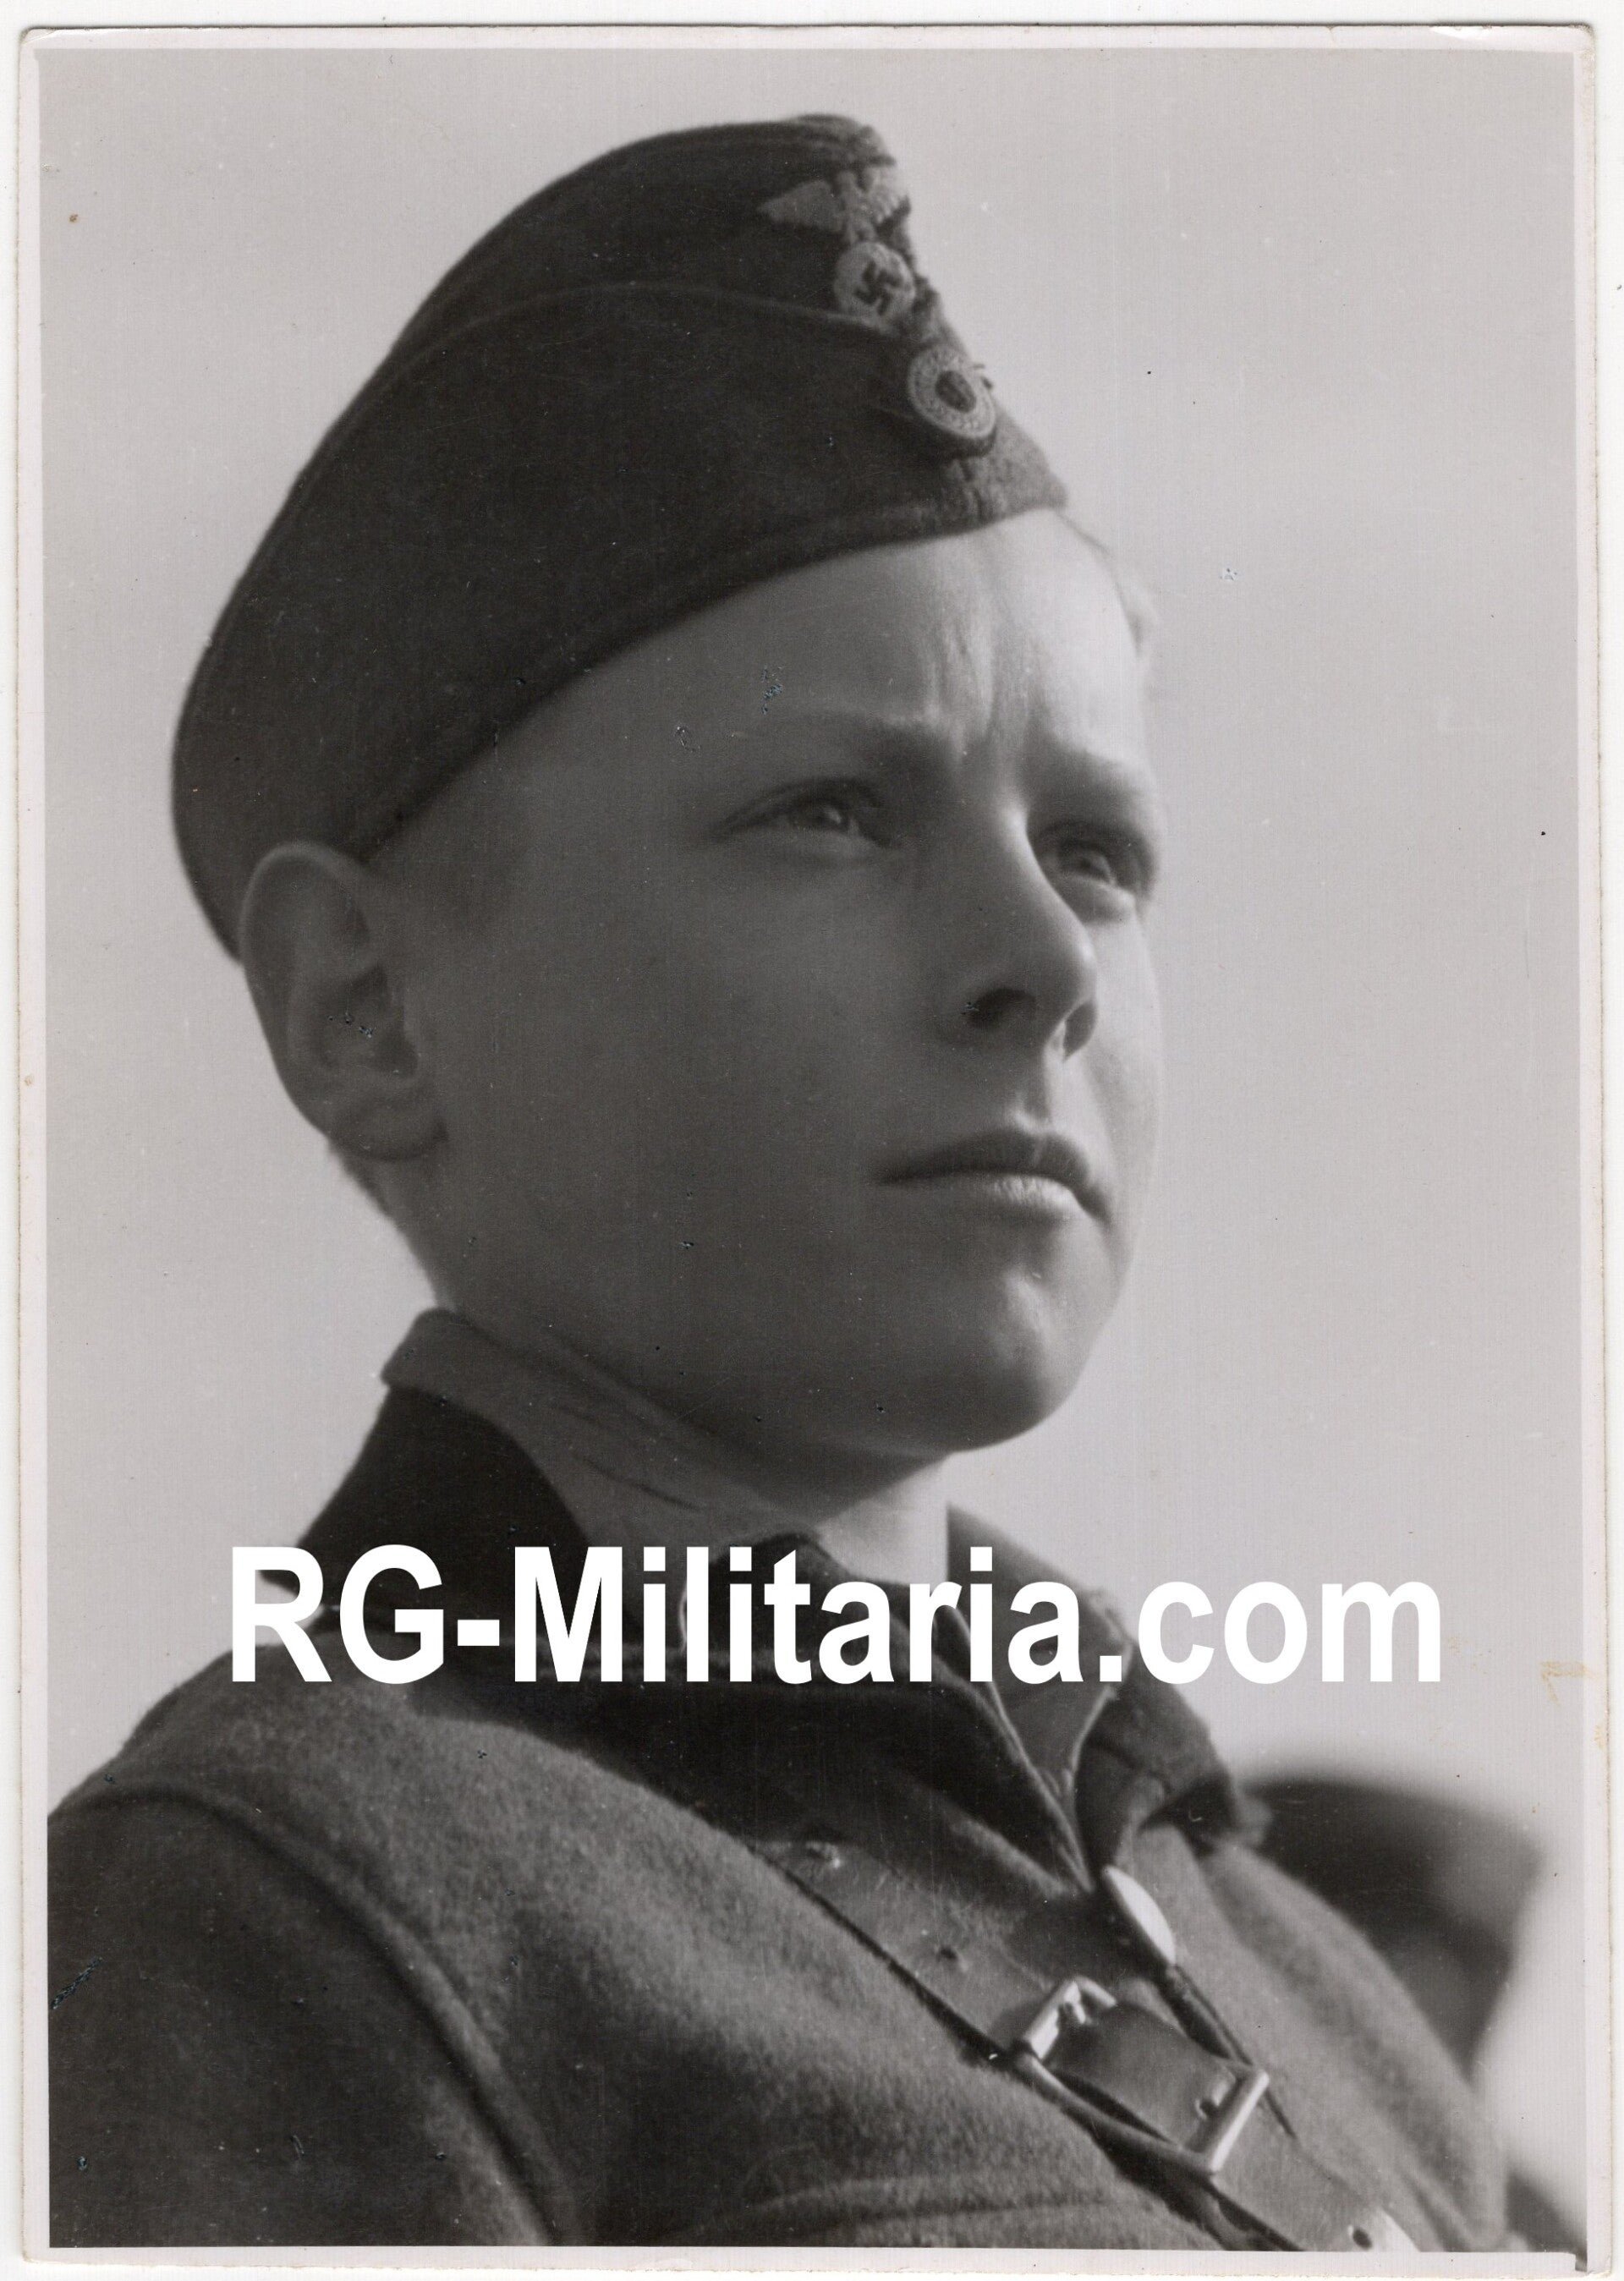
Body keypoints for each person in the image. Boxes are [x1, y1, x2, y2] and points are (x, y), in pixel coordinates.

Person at [48, 115, 1510, 2251]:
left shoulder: (1314, 1989)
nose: (1041, 965)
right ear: (365, 1003)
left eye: (1097, 846)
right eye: (834, 809)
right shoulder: (302, 1895)